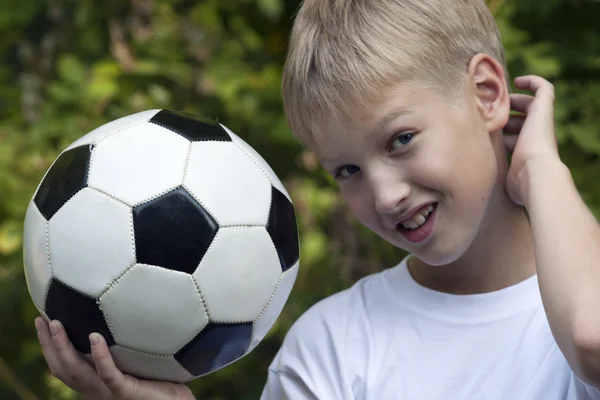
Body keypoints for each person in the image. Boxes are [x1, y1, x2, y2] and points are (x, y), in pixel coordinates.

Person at [34, 0, 600, 398]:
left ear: (487, 94)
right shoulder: (333, 345)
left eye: (401, 140)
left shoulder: (582, 287)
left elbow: (590, 340)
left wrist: (544, 169)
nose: (384, 194)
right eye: (347, 170)